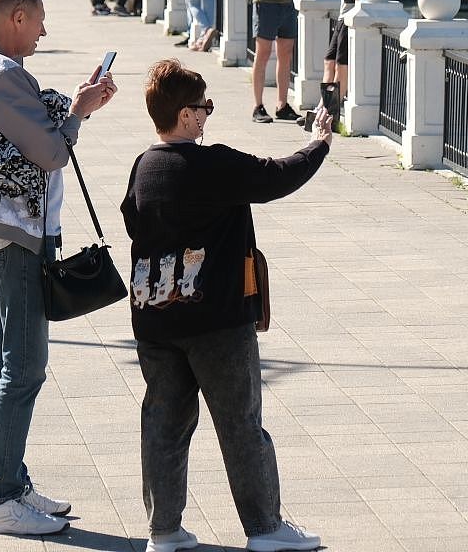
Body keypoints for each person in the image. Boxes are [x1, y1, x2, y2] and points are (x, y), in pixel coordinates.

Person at [121, 59, 331, 552]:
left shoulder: (143, 167)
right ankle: (265, 529)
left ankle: (164, 531)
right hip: (216, 320)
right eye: (204, 106)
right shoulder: (211, 164)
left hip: (154, 317)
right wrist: (320, 143)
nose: (207, 114)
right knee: (240, 425)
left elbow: (134, 224)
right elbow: (278, 177)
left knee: (164, 424)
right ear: (187, 116)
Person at [0, 0, 117, 534]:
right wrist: (81, 109)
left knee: (4, 360)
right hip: (8, 228)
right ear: (16, 17)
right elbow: (48, 150)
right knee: (25, 366)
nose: (44, 31)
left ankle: (10, 480)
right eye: (39, 21)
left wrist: (71, 107)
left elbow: (27, 133)